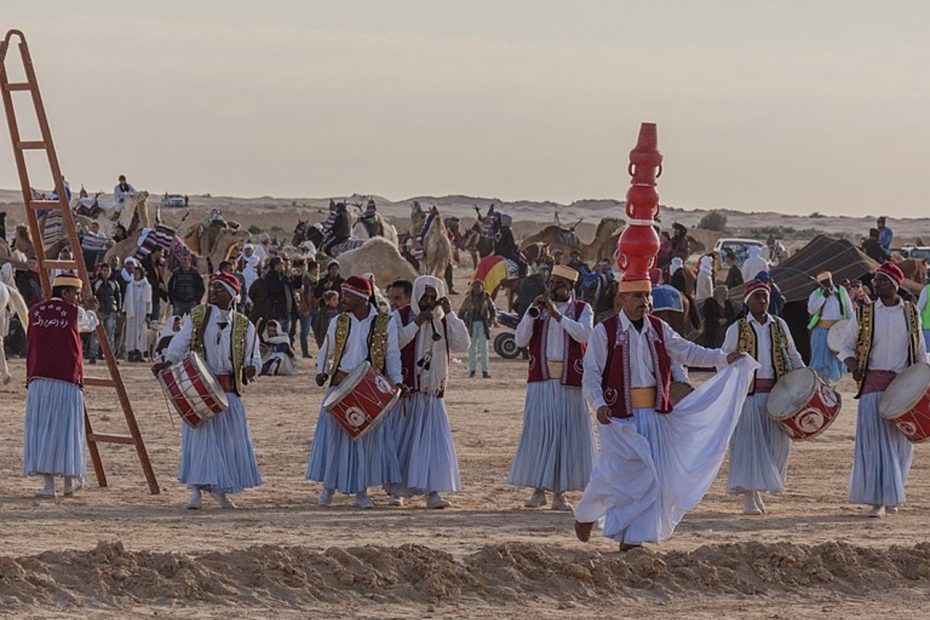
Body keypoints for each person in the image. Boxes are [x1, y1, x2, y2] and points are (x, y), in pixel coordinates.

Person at [573, 275, 752, 550]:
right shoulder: (604, 332)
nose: (644, 302)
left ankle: (633, 539)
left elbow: (687, 352)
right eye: (637, 296)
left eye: (647, 296)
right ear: (621, 299)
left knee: (653, 477)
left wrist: (722, 357)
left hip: (655, 416)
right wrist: (598, 405)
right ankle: (586, 514)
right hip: (619, 418)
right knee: (616, 475)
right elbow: (592, 374)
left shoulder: (659, 328)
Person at [153, 273, 263, 509]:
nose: (213, 293)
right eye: (212, 289)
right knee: (200, 440)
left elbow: (253, 355)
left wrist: (254, 366)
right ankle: (195, 491)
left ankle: (221, 491)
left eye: (219, 289)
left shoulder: (245, 325)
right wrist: (168, 360)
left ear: (232, 295)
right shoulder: (198, 316)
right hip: (201, 388)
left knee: (226, 443)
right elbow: (180, 342)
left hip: (230, 391)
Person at [839, 262, 927, 518]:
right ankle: (876, 500)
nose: (876, 285)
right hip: (872, 385)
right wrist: (853, 365)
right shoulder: (864, 313)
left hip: (904, 388)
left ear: (896, 284)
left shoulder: (911, 313)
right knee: (875, 443)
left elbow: (920, 351)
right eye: (875, 281)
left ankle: (893, 494)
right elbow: (844, 347)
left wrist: (924, 380)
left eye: (882, 281)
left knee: (900, 444)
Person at [308, 276, 402, 508]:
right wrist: (322, 371)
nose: (343, 300)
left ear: (362, 297)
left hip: (367, 387)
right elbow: (326, 350)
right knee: (335, 440)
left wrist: (397, 382)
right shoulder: (339, 321)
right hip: (340, 384)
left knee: (363, 441)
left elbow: (392, 355)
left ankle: (361, 492)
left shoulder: (384, 322)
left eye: (348, 295)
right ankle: (328, 490)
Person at [509, 265, 595, 511]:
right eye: (552, 284)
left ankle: (560, 493)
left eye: (559, 284)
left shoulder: (582, 310)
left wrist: (558, 316)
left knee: (566, 437)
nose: (554, 288)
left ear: (570, 288)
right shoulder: (539, 310)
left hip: (570, 384)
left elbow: (584, 334)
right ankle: (538, 490)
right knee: (540, 434)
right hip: (542, 381)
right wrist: (531, 313)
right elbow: (520, 340)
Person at [722, 278, 805, 515]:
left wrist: (805, 376)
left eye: (765, 297)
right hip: (748, 395)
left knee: (775, 447)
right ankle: (749, 497)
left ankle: (759, 490)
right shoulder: (736, 328)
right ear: (748, 301)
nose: (762, 301)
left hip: (777, 396)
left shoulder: (779, 325)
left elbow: (792, 353)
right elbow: (724, 360)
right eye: (757, 297)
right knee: (750, 448)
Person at [387, 276, 470, 508]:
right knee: (403, 443)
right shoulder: (400, 317)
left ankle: (433, 493)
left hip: (432, 395)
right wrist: (416, 324)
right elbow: (395, 344)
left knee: (432, 445)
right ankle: (397, 491)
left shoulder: (443, 321)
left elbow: (463, 345)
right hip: (408, 393)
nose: (429, 301)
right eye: (425, 296)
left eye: (433, 297)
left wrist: (450, 314)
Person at [23, 273, 99, 498]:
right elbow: (90, 324)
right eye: (74, 293)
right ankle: (68, 481)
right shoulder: (75, 312)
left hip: (38, 380)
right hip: (66, 381)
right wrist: (93, 309)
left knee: (42, 430)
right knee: (66, 431)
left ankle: (48, 485)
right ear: (65, 292)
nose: (76, 298)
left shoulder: (34, 311)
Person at [807, 271, 853, 383]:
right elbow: (811, 310)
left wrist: (850, 326)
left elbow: (848, 308)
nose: (827, 284)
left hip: (838, 331)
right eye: (823, 282)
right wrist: (823, 297)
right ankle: (822, 384)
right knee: (821, 360)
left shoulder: (841, 291)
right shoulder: (816, 294)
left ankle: (833, 384)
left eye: (828, 281)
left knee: (837, 360)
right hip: (822, 330)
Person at [458, 280, 496, 378]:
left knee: (484, 348)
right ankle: (472, 370)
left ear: (482, 287)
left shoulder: (487, 298)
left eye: (479, 287)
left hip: (483, 325)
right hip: (471, 325)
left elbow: (493, 310)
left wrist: (490, 321)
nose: (477, 289)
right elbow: (461, 313)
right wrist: (465, 324)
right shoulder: (468, 299)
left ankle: (485, 371)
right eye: (475, 287)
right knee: (472, 349)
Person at [89, 262, 121, 364]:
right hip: (100, 311)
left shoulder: (114, 283)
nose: (106, 272)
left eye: (107, 270)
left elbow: (118, 296)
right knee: (96, 334)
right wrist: (93, 309)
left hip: (111, 310)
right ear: (100, 271)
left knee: (110, 335)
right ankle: (93, 355)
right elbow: (92, 296)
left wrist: (118, 309)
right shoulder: (96, 283)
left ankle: (111, 357)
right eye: (104, 270)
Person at [123, 263, 152, 362]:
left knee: (142, 333)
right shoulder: (130, 286)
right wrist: (124, 311)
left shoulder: (146, 286)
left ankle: (140, 354)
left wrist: (148, 314)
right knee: (131, 333)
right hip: (132, 312)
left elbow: (149, 302)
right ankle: (131, 353)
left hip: (142, 312)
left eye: (137, 273)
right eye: (134, 273)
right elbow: (126, 299)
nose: (135, 275)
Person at [168, 252, 205, 318]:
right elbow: (170, 286)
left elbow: (201, 287)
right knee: (176, 321)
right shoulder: (176, 272)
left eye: (185, 259)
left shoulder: (195, 272)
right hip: (178, 302)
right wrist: (173, 299)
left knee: (193, 323)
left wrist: (197, 300)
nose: (183, 262)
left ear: (189, 261)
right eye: (181, 259)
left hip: (192, 302)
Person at [297, 259, 320, 359]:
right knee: (305, 332)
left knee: (318, 331)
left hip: (315, 308)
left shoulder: (317, 280)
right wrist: (304, 308)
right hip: (307, 308)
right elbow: (302, 295)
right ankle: (305, 352)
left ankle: (321, 351)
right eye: (316, 269)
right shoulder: (305, 279)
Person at [140, 247, 167, 321]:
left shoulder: (157, 265)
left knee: (155, 321)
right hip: (146, 296)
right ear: (156, 252)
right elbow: (144, 278)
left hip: (155, 296)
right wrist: (157, 284)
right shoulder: (145, 263)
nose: (162, 255)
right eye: (161, 252)